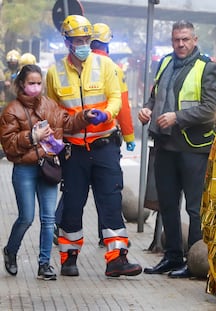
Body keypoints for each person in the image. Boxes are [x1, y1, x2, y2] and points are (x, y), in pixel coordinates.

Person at [46, 14, 142, 278]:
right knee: (73, 203)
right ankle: (69, 257)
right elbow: (52, 112)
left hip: (105, 146)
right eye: (79, 40)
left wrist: (107, 115)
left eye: (87, 39)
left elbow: (116, 99)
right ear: (67, 41)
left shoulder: (106, 66)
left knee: (111, 200)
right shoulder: (55, 73)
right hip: (73, 150)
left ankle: (117, 259)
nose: (84, 44)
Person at [0, 64, 100, 280]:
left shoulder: (50, 105)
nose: (35, 87)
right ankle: (11, 250)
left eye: (38, 83)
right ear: (21, 84)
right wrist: (32, 137)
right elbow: (8, 145)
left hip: (48, 168)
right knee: (26, 217)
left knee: (48, 219)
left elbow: (68, 123)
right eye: (31, 83)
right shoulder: (11, 110)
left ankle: (44, 264)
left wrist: (84, 116)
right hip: (25, 169)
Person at [138, 20, 216, 278]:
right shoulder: (165, 62)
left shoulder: (207, 68)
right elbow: (155, 95)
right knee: (167, 204)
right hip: (165, 145)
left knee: (195, 208)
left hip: (193, 148)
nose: (181, 44)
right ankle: (172, 256)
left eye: (185, 39)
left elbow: (212, 107)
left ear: (195, 40)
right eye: (176, 40)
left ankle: (194, 261)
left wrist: (178, 116)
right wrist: (147, 109)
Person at [90, 22, 136, 247]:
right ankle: (106, 235)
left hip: (80, 139)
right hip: (106, 137)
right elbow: (124, 107)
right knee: (108, 190)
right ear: (108, 42)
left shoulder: (82, 65)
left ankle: (59, 225)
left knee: (76, 190)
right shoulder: (114, 68)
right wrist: (129, 137)